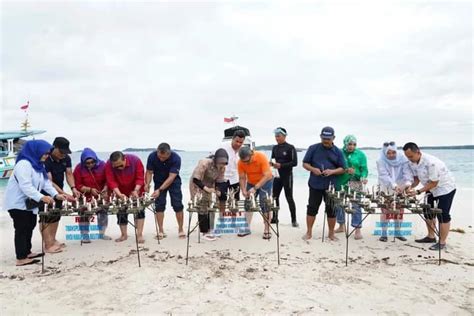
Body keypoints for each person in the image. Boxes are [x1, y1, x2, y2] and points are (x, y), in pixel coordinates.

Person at [3, 140, 67, 264]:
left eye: (48, 154)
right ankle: (21, 258)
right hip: (17, 203)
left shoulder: (38, 165)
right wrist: (41, 197)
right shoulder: (23, 164)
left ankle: (27, 252)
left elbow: (45, 183)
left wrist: (56, 195)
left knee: (30, 225)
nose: (46, 156)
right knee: (22, 228)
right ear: (35, 151)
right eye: (44, 153)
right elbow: (25, 186)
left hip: (30, 204)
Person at [403, 142, 456, 251]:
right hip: (430, 189)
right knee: (427, 212)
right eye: (407, 157)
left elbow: (434, 183)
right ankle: (431, 237)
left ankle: (442, 242)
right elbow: (417, 179)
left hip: (445, 188)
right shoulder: (412, 162)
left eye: (411, 156)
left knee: (442, 215)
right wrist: (409, 187)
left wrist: (418, 192)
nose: (409, 159)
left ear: (418, 152)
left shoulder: (431, 163)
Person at [302, 126, 346, 241]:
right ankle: (309, 232)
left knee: (332, 210)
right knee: (312, 208)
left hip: (331, 186)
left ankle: (331, 234)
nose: (326, 141)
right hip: (315, 184)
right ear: (320, 137)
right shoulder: (313, 148)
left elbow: (343, 168)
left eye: (328, 138)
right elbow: (305, 164)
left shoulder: (338, 151)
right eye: (324, 138)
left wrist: (332, 171)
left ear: (333, 138)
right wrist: (313, 169)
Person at [40, 137, 79, 252]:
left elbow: (69, 174)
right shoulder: (46, 158)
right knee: (45, 217)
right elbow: (49, 181)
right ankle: (48, 245)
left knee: (56, 215)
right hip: (44, 193)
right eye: (62, 152)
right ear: (55, 148)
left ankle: (53, 240)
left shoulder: (66, 158)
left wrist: (73, 189)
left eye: (65, 152)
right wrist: (65, 194)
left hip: (59, 191)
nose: (64, 154)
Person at [145, 143, 185, 239]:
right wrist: (147, 184)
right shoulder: (152, 156)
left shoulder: (176, 158)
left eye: (164, 157)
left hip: (174, 181)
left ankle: (180, 229)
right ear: (157, 151)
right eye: (159, 156)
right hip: (158, 181)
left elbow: (171, 178)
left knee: (177, 204)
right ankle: (161, 230)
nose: (161, 159)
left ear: (169, 153)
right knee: (159, 205)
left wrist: (160, 190)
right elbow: (149, 172)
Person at [376, 141, 413, 242]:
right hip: (386, 187)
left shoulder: (403, 159)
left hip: (401, 187)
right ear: (385, 153)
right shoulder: (380, 160)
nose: (391, 155)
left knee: (399, 210)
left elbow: (407, 173)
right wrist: (393, 185)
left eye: (393, 152)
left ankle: (398, 232)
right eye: (389, 153)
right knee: (385, 210)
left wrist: (408, 184)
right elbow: (384, 175)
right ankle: (384, 234)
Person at [105, 151, 145, 243]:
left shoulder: (136, 160)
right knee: (121, 212)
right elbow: (111, 181)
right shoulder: (109, 164)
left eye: (120, 165)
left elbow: (140, 178)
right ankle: (124, 235)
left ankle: (139, 234)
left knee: (139, 211)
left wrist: (135, 190)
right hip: (119, 190)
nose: (118, 168)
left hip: (136, 189)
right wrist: (119, 194)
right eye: (116, 166)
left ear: (125, 159)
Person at [189, 149, 228, 241]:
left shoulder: (222, 168)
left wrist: (218, 191)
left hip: (210, 185)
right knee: (202, 206)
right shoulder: (204, 163)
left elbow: (219, 181)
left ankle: (211, 229)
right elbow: (196, 179)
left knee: (212, 206)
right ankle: (204, 231)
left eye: (224, 163)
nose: (222, 165)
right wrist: (206, 189)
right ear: (215, 160)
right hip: (197, 185)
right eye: (220, 163)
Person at [73, 148, 110, 242]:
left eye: (92, 162)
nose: (90, 165)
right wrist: (89, 190)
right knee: (84, 215)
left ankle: (102, 234)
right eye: (87, 163)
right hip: (85, 195)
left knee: (103, 214)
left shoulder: (103, 165)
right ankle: (85, 236)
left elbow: (108, 179)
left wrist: (105, 189)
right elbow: (77, 185)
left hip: (100, 194)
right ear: (83, 162)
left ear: (95, 159)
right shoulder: (78, 168)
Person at [335, 135, 368, 240]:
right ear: (345, 143)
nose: (352, 146)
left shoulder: (360, 154)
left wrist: (363, 176)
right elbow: (335, 166)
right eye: (349, 144)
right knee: (339, 203)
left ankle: (357, 229)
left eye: (354, 144)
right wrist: (345, 170)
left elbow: (364, 169)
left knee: (356, 205)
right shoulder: (339, 152)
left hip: (355, 181)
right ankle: (341, 225)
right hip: (341, 180)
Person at [237, 147, 273, 239]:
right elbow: (242, 177)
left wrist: (256, 187)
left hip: (266, 181)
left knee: (265, 204)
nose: (246, 163)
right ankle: (246, 228)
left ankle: (267, 228)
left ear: (251, 154)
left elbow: (267, 175)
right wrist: (243, 190)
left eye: (247, 161)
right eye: (244, 162)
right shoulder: (240, 162)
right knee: (248, 204)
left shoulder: (261, 157)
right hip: (251, 182)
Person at [270, 127, 298, 227]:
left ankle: (294, 220)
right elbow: (272, 160)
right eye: (275, 136)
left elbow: (295, 163)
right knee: (274, 197)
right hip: (277, 176)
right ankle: (274, 217)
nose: (276, 138)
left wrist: (281, 165)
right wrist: (271, 165)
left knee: (289, 197)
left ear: (284, 136)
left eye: (278, 136)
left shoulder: (290, 147)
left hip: (287, 176)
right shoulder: (275, 148)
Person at [216, 130, 246, 213]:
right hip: (222, 177)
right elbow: (212, 160)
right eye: (236, 141)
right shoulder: (222, 147)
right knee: (222, 200)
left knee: (235, 200)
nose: (238, 144)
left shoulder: (243, 150)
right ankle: (222, 219)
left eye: (241, 142)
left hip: (235, 178)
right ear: (232, 139)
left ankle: (234, 220)